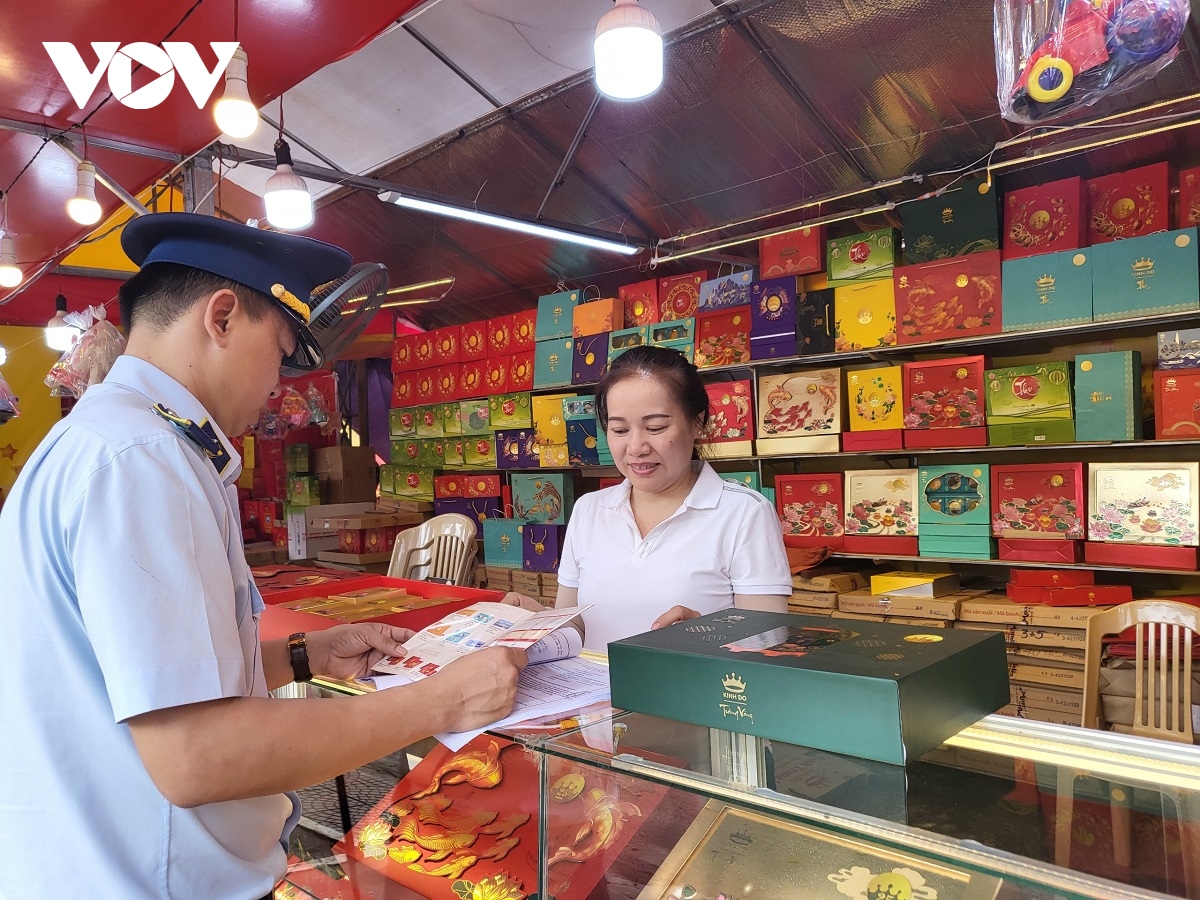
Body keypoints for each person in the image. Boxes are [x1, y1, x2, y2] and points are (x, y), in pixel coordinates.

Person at [0, 212, 525, 899]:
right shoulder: (145, 459)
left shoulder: (113, 442)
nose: (278, 385)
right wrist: (440, 702)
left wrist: (301, 655)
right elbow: (199, 756)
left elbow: (132, 676)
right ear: (221, 319)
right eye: (280, 351)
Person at [506, 345, 791, 651]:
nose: (636, 447)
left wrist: (706, 635)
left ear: (698, 423)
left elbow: (767, 644)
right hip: (595, 696)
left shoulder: (743, 514)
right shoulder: (589, 510)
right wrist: (540, 619)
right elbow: (578, 627)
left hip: (688, 696)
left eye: (655, 427)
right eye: (619, 429)